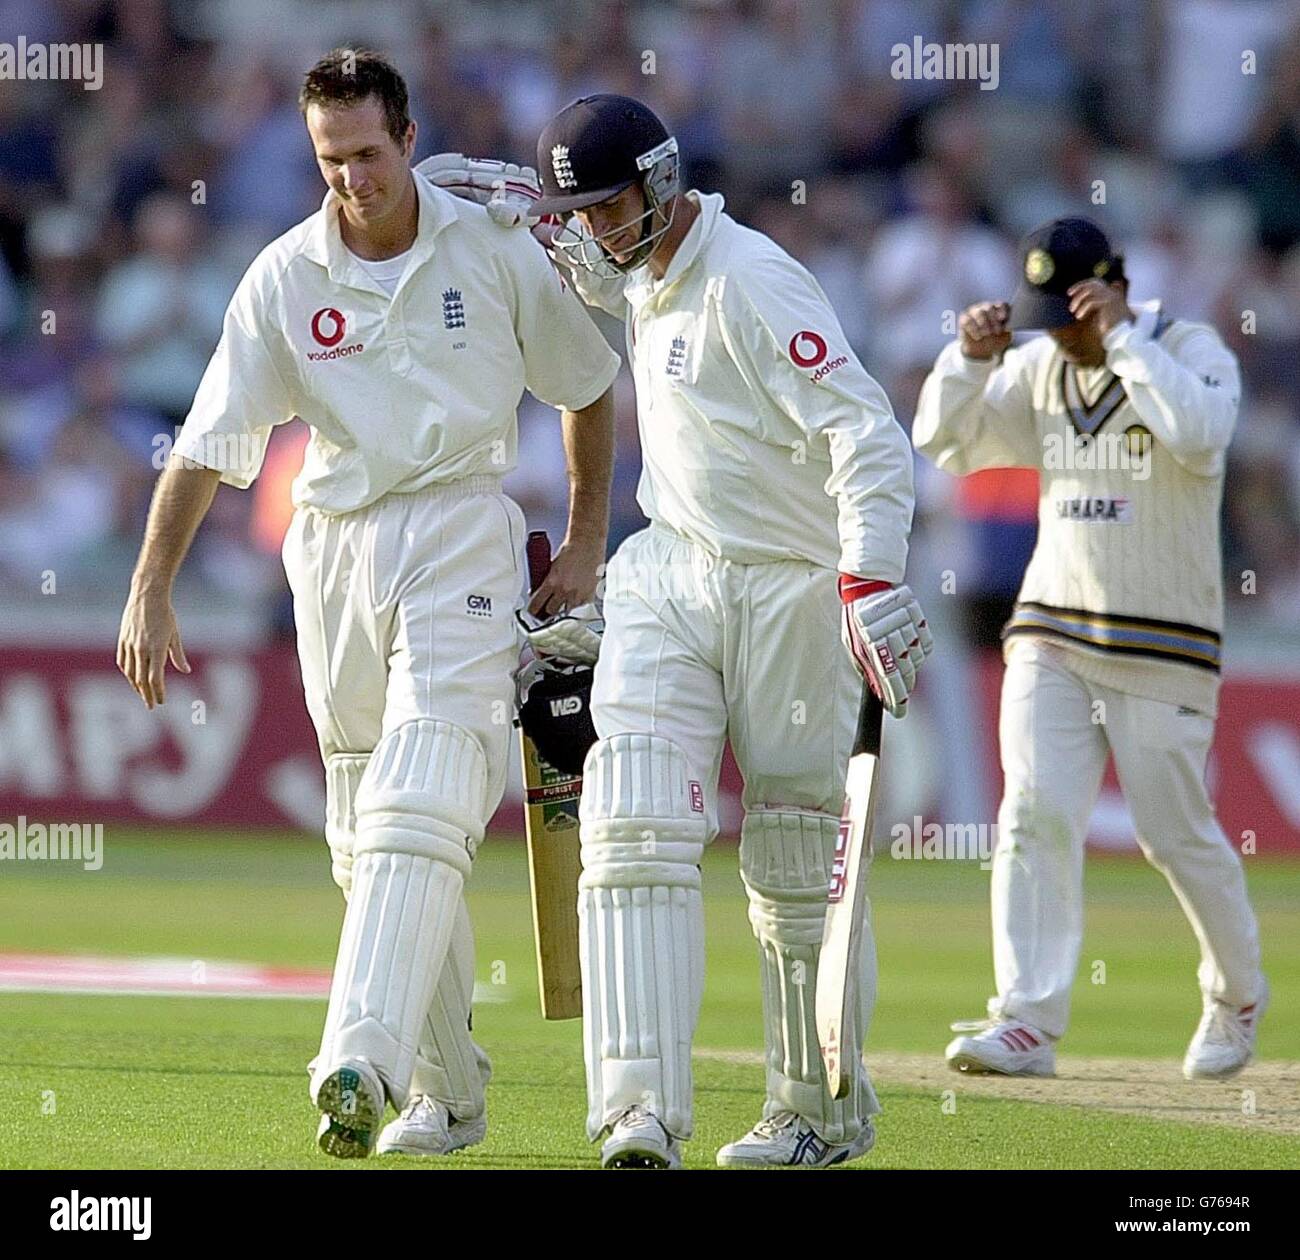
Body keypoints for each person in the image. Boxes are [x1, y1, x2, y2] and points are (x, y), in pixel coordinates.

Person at [115, 49, 619, 1159]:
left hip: (459, 524)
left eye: (369, 154)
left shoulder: (489, 248)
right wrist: (151, 588)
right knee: (361, 831)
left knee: (428, 780)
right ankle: (448, 1094)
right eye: (330, 160)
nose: (352, 179)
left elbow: (585, 384)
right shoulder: (286, 275)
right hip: (334, 550)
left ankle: (357, 1057)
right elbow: (209, 448)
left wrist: (585, 538)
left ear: (406, 137)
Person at [458, 93, 930, 1168]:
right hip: (673, 568)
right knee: (627, 829)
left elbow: (864, 431)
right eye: (578, 213)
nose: (592, 232)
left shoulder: (754, 280)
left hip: (794, 585)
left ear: (664, 185)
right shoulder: (632, 269)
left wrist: (871, 582)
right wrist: (466, 216)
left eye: (608, 208)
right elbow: (552, 259)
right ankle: (637, 1117)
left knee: (797, 861)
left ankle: (814, 1114)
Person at [913, 216, 1266, 1081]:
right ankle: (1026, 1019)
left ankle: (1235, 994)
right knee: (1033, 814)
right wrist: (966, 359)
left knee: (1173, 833)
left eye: (1071, 314)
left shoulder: (1190, 348)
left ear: (1109, 290)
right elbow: (944, 440)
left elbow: (1200, 434)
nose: (1060, 337)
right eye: (1050, 319)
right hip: (1053, 625)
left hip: (1165, 639)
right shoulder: (1039, 365)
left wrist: (1124, 344)